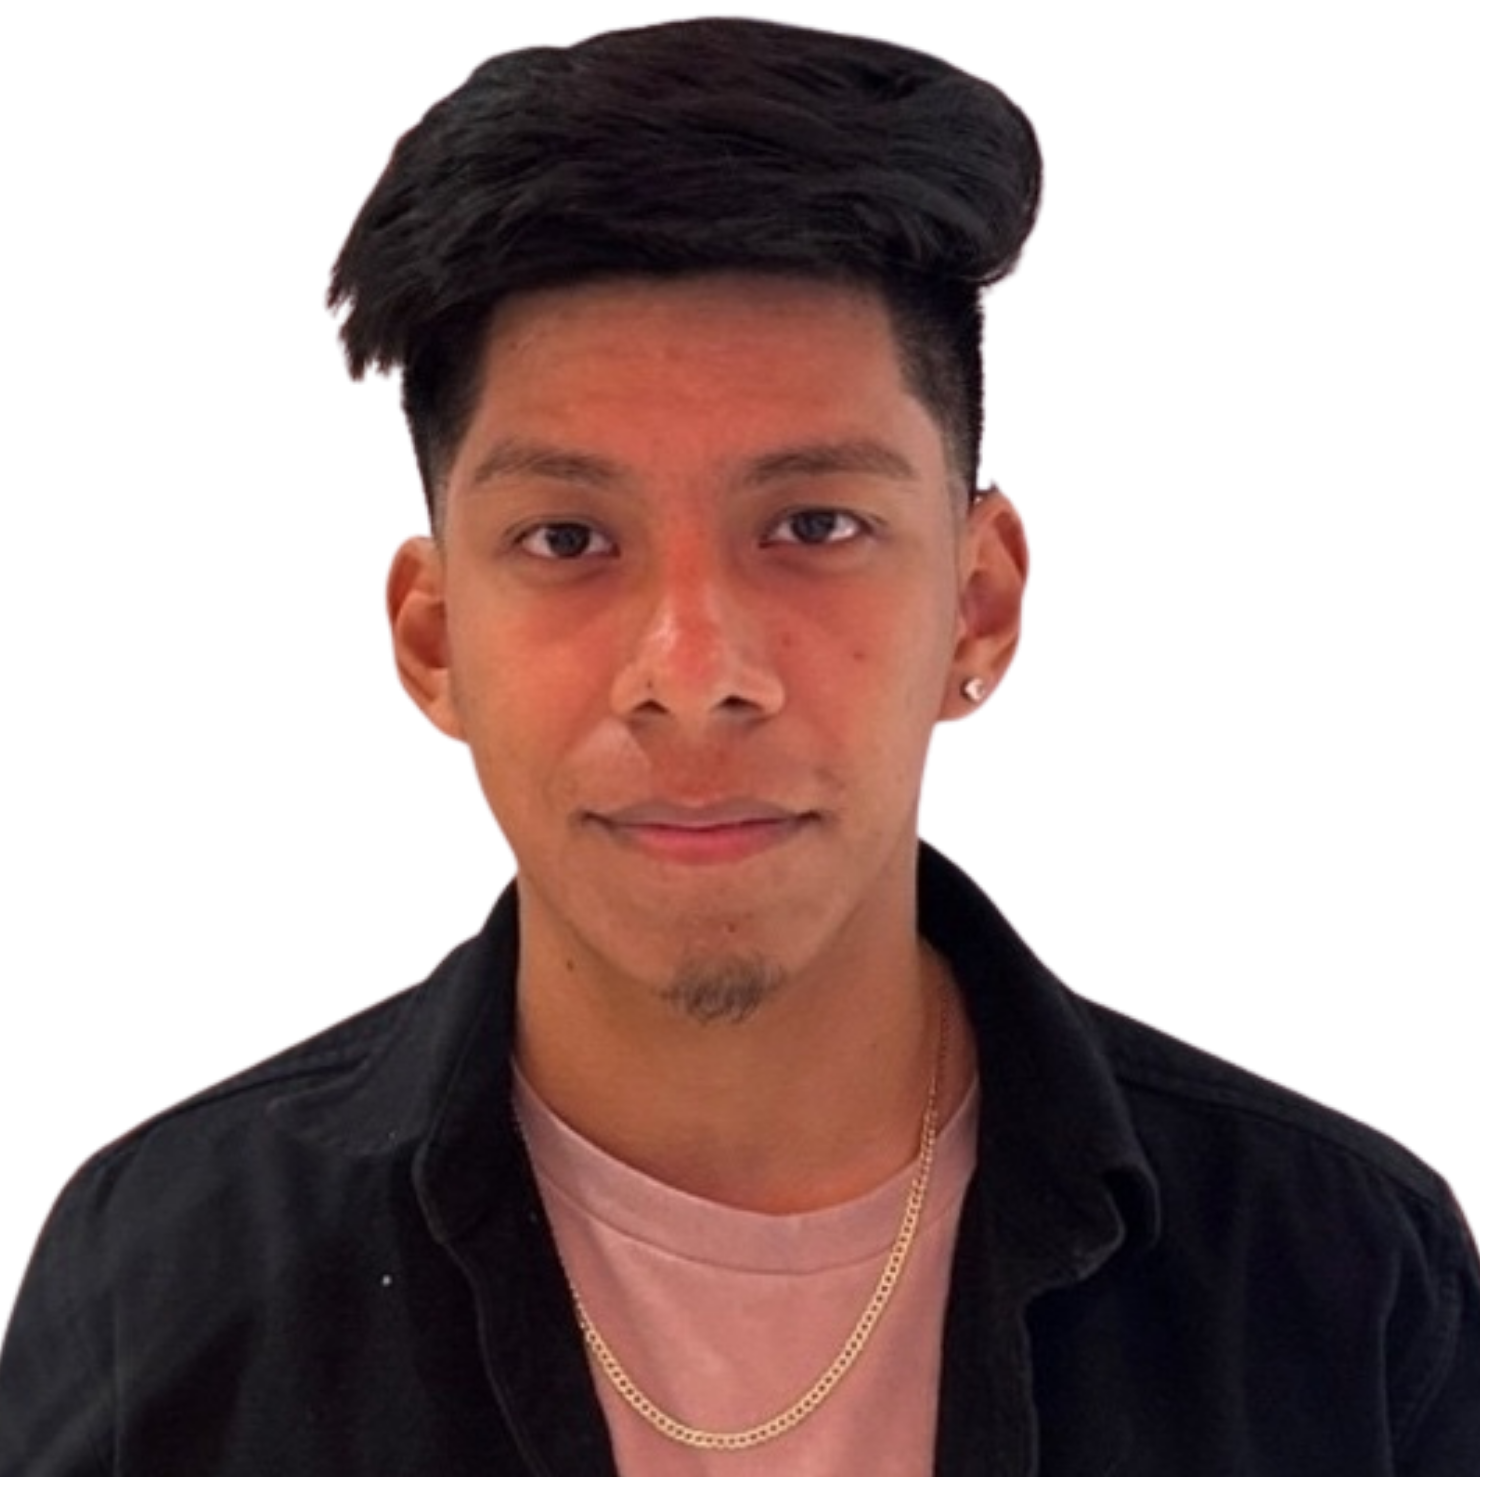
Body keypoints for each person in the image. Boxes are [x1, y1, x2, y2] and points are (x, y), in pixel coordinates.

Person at [0, 16, 1476, 1476]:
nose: (696, 674)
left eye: (815, 527)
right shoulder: (165, 1285)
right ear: (435, 637)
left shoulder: (1338, 1281)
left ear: (977, 602)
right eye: (568, 538)